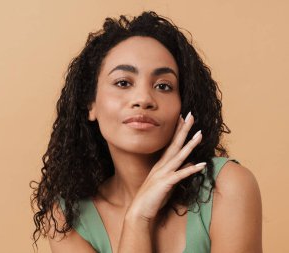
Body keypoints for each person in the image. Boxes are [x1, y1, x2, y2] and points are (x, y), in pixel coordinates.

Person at [30, 11, 262, 253]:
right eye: (123, 82)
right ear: (91, 105)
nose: (143, 99)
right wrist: (138, 220)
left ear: (183, 104)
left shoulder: (227, 187)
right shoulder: (67, 218)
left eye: (163, 86)